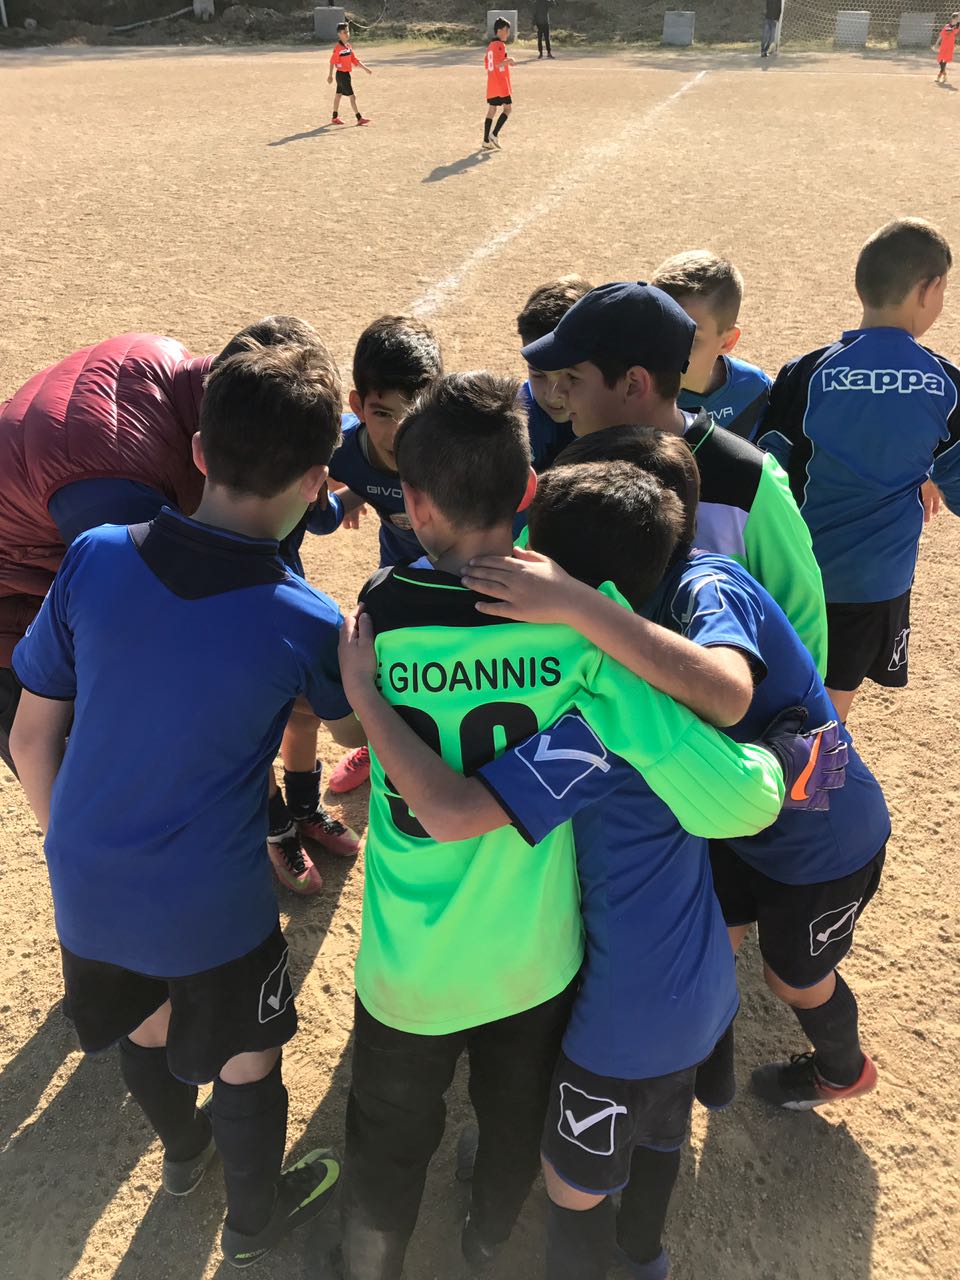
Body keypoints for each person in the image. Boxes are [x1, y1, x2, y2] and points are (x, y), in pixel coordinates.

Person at [334, 372, 817, 1280]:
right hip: (533, 960)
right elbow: (715, 724)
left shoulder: (381, 612)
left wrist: (363, 694)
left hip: (409, 964)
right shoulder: (582, 645)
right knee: (514, 1128)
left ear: (413, 502)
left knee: (387, 1137)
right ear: (527, 492)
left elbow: (366, 749)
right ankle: (485, 1241)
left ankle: (369, 1267)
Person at [10, 344, 366, 1267]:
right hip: (211, 904)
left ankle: (182, 1153)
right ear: (317, 481)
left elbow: (31, 737)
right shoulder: (305, 617)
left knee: (144, 1023)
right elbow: (344, 732)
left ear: (199, 450)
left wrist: (76, 850)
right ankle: (253, 1221)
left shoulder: (92, 556)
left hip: (86, 878)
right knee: (247, 1056)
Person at [464, 429, 889, 1113]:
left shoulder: (707, 581)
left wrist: (574, 602)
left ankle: (843, 1068)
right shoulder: (636, 588)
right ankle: (704, 1077)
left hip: (824, 842)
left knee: (790, 980)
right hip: (740, 821)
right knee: (712, 942)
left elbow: (727, 694)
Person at [519, 280, 829, 675]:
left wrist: (790, 709)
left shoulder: (746, 479)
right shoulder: (574, 465)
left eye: (574, 378)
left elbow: (801, 619)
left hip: (718, 704)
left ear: (634, 383)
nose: (558, 392)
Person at [757, 218, 960, 721]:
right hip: (874, 585)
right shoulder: (946, 384)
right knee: (827, 714)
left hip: (797, 573)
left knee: (784, 689)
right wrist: (923, 466)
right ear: (930, 289)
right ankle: (812, 767)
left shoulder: (807, 371)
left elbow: (769, 469)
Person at [324, 315, 443, 797]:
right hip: (395, 572)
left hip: (457, 575)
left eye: (412, 414)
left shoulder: (454, 449)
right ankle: (379, 746)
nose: (397, 431)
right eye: (382, 413)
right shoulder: (341, 448)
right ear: (357, 406)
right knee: (384, 657)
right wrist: (348, 496)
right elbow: (321, 492)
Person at [652, 250, 772, 442]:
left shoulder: (756, 390)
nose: (664, 349)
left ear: (727, 341)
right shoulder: (625, 393)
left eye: (690, 338)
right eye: (655, 329)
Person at [516, 276, 592, 474]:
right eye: (537, 374)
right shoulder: (517, 422)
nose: (552, 396)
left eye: (571, 376)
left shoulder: (620, 422)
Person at [328, 22, 372, 127]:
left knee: (338, 95)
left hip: (346, 74)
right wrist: (330, 75)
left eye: (348, 31)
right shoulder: (338, 48)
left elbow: (354, 60)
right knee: (352, 96)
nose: (347, 34)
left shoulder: (348, 47)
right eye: (344, 32)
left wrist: (365, 68)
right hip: (341, 75)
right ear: (339, 34)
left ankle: (334, 117)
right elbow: (332, 62)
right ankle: (359, 118)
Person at [482, 18, 516, 151]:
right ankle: (494, 134)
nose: (508, 33)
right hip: (501, 83)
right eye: (506, 30)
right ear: (499, 30)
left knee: (492, 110)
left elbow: (488, 64)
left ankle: (486, 141)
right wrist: (510, 60)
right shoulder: (500, 45)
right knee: (508, 109)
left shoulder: (490, 46)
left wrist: (506, 62)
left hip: (492, 83)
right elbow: (498, 64)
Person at [935, 12, 959, 82]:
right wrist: (937, 43)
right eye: (957, 18)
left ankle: (939, 76)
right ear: (953, 18)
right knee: (940, 60)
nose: (958, 19)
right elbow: (941, 35)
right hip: (943, 45)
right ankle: (944, 74)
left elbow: (954, 29)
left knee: (945, 61)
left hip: (950, 46)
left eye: (958, 18)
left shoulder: (957, 26)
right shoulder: (947, 26)